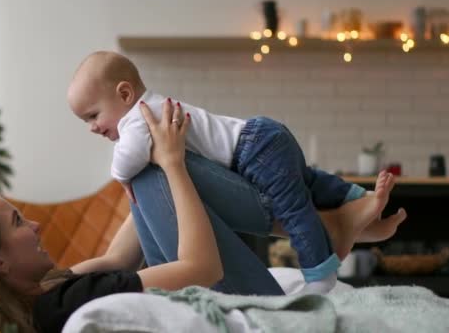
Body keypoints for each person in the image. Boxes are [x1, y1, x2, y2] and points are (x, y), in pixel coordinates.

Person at [0, 101, 405, 332]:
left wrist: (156, 163)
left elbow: (114, 259)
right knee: (153, 165)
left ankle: (324, 226)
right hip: (251, 305)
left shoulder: (44, 293)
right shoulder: (56, 307)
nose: (36, 226)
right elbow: (202, 271)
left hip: (221, 288)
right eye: (19, 224)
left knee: (147, 166)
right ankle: (323, 226)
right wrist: (173, 165)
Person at [67, 50, 393, 294]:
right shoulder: (145, 121)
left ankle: (321, 273)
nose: (93, 128)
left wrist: (127, 174)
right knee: (307, 183)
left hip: (254, 146)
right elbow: (117, 262)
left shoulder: (141, 120)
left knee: (294, 209)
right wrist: (53, 282)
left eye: (93, 116)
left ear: (124, 93)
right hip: (256, 145)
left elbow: (128, 158)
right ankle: (348, 203)